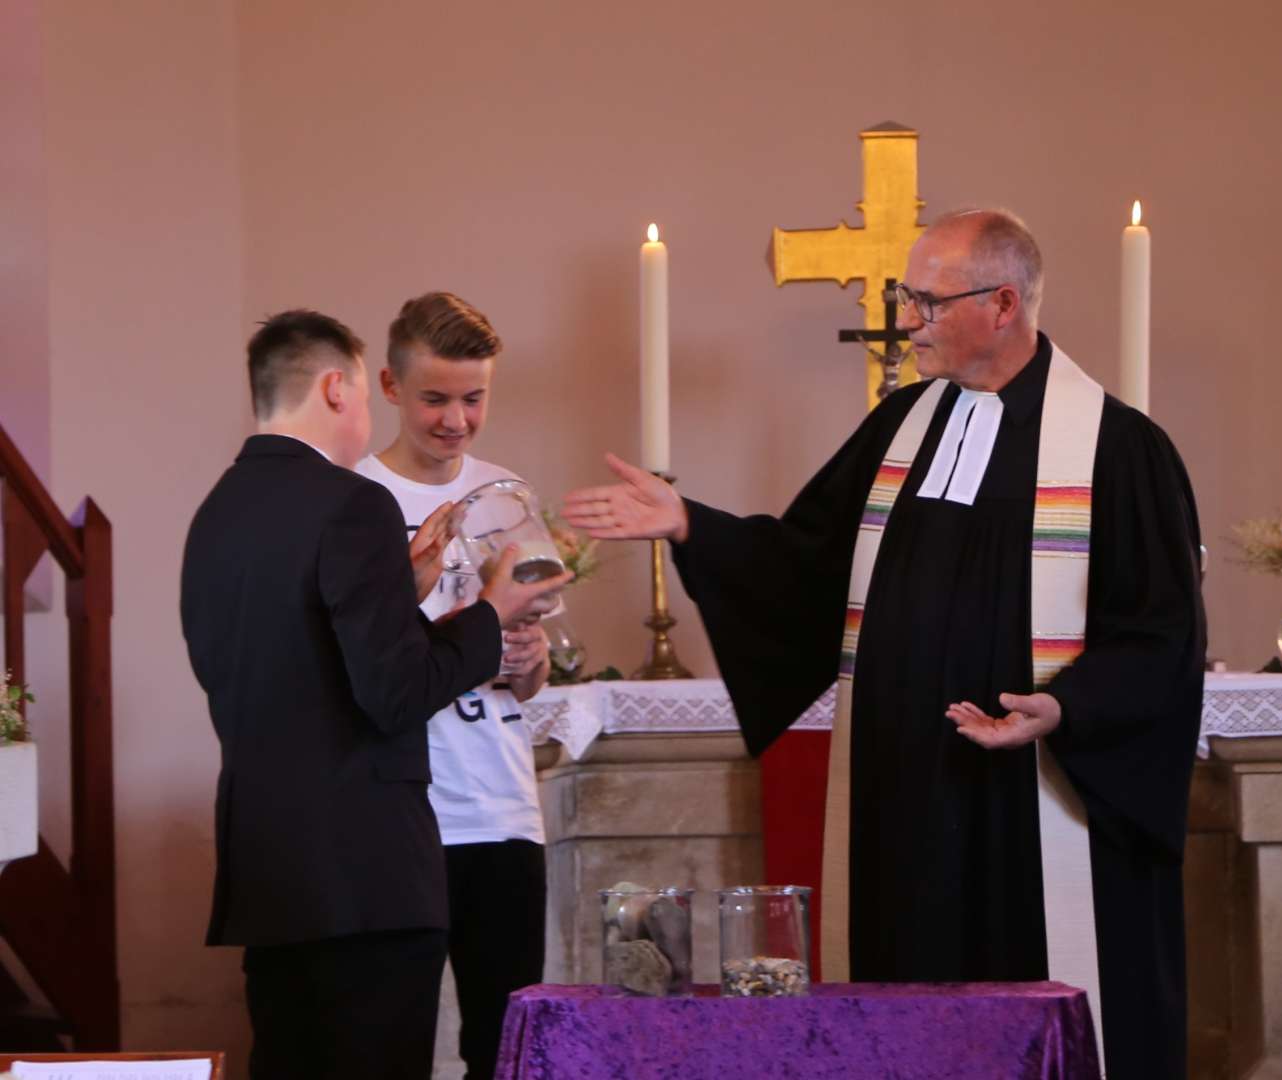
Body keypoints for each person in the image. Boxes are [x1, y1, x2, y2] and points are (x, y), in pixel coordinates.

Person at [564, 209, 1206, 1079]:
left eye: (928, 303)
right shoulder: (902, 426)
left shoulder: (1120, 451)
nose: (908, 322)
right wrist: (693, 526)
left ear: (1004, 303)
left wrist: (1064, 706)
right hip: (904, 791)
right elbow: (804, 564)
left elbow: (1162, 634)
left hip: (1038, 797)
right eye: (910, 298)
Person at [181, 309, 566, 1080]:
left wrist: (405, 590)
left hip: (272, 870)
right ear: (339, 388)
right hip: (367, 871)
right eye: (360, 398)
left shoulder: (216, 514)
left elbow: (293, 667)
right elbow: (393, 695)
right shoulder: (352, 502)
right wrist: (488, 612)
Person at [355, 292, 553, 1080]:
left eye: (474, 398)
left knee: (504, 1051)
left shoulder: (506, 493)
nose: (456, 420)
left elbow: (533, 677)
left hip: (502, 811)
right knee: (389, 1047)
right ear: (390, 387)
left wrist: (529, 654)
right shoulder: (354, 499)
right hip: (402, 816)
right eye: (436, 398)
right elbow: (354, 665)